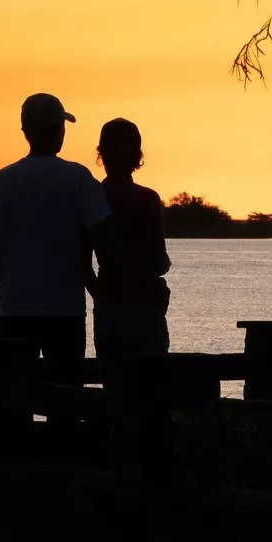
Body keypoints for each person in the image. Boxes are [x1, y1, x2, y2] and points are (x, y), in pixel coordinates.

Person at [0, 92, 122, 372]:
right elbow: (106, 242)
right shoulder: (79, 179)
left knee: (15, 399)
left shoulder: (3, 181)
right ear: (59, 130)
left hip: (14, 312)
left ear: (25, 131)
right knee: (67, 401)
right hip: (65, 313)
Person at [88, 117, 171, 361]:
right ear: (137, 155)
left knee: (114, 382)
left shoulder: (93, 197)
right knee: (151, 380)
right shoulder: (147, 199)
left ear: (102, 154)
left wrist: (102, 296)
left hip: (110, 307)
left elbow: (82, 263)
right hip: (145, 304)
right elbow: (159, 261)